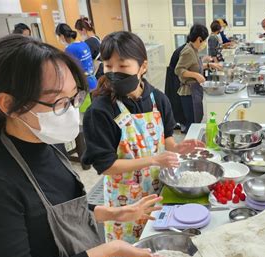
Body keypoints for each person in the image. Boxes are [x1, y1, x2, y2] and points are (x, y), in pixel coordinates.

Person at [0, 35, 165, 257]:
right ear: (8, 104)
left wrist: (114, 213)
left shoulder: (46, 146)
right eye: (58, 102)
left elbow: (57, 214)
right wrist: (109, 249)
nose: (72, 112)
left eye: (74, 98)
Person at [83, 31, 204, 242]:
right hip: (124, 202)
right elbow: (107, 166)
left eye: (122, 66)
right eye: (108, 66)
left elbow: (166, 140)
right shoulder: (101, 110)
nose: (113, 72)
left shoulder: (158, 99)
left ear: (143, 66)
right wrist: (155, 160)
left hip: (157, 190)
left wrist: (178, 148)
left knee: (157, 246)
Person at [175, 24, 222, 132]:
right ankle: (191, 145)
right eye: (204, 40)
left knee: (197, 119)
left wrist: (210, 65)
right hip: (188, 93)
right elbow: (178, 70)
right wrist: (196, 75)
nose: (204, 43)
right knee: (192, 124)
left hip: (195, 91)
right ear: (199, 39)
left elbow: (195, 66)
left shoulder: (194, 50)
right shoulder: (188, 51)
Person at [55, 23, 97, 91]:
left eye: (58, 37)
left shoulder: (69, 49)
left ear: (62, 36)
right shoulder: (83, 43)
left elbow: (68, 70)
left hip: (84, 84)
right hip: (93, 81)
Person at [165, 42, 188, 131]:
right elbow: (182, 69)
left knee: (176, 101)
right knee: (176, 101)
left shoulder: (187, 47)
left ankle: (178, 122)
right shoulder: (186, 50)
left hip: (174, 74)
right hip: (174, 76)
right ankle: (179, 124)